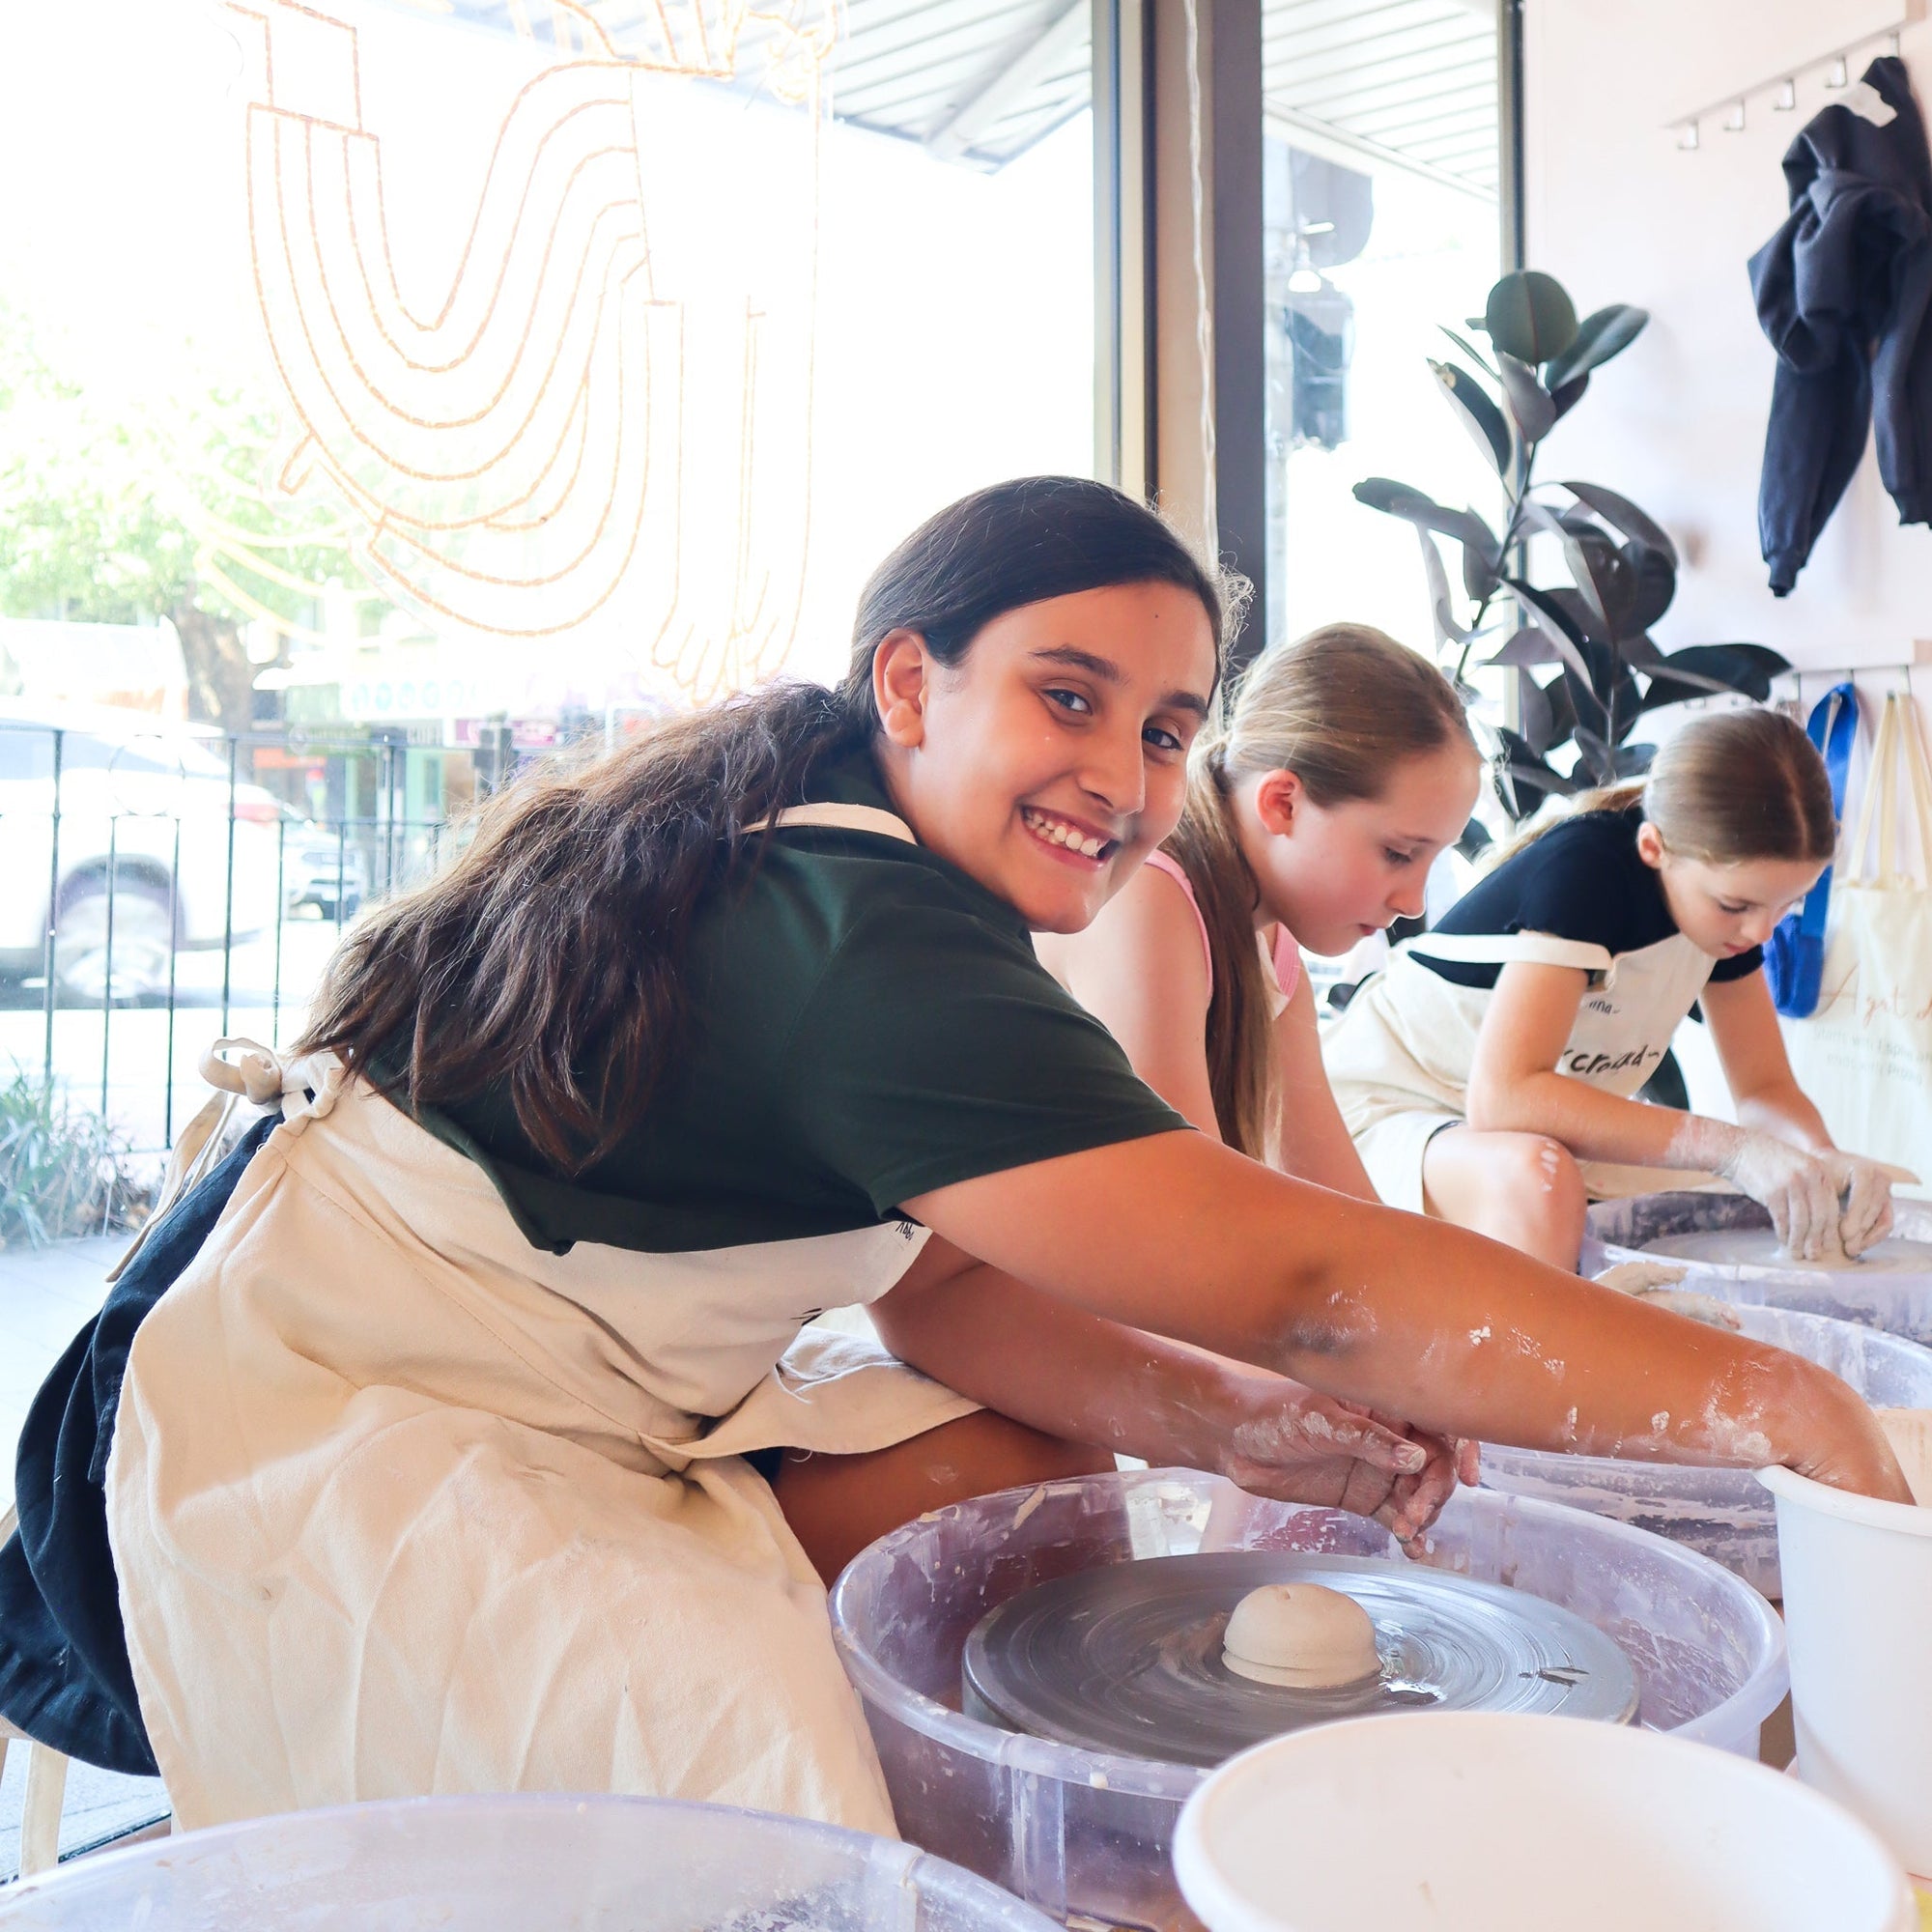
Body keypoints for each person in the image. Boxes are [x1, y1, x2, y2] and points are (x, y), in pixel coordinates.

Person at [0, 480, 1903, 1845]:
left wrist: (1217, 1427)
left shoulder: (886, 878)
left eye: (1162, 727)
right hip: (293, 1419)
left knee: (1044, 1490)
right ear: (910, 685)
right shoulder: (852, 925)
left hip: (567, 1369)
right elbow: (1316, 1286)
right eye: (1064, 696)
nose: (1123, 772)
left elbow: (941, 1274)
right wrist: (1780, 1403)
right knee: (751, 1804)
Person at [1323, 707, 1899, 1267]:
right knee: (1540, 1179)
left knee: (1748, 1204)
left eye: (1785, 906)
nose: (1760, 932)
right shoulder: (1589, 871)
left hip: (1498, 1131)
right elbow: (1505, 1097)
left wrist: (1822, 1164)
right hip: (1378, 1109)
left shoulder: (1724, 923)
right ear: (1655, 849)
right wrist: (1735, 1148)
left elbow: (1765, 1088)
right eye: (1736, 905)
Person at [1037, 624, 1480, 1187]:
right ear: (1282, 803)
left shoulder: (1274, 945)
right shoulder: (1151, 897)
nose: (1413, 903)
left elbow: (1339, 1198)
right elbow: (1188, 1201)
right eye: (1397, 854)